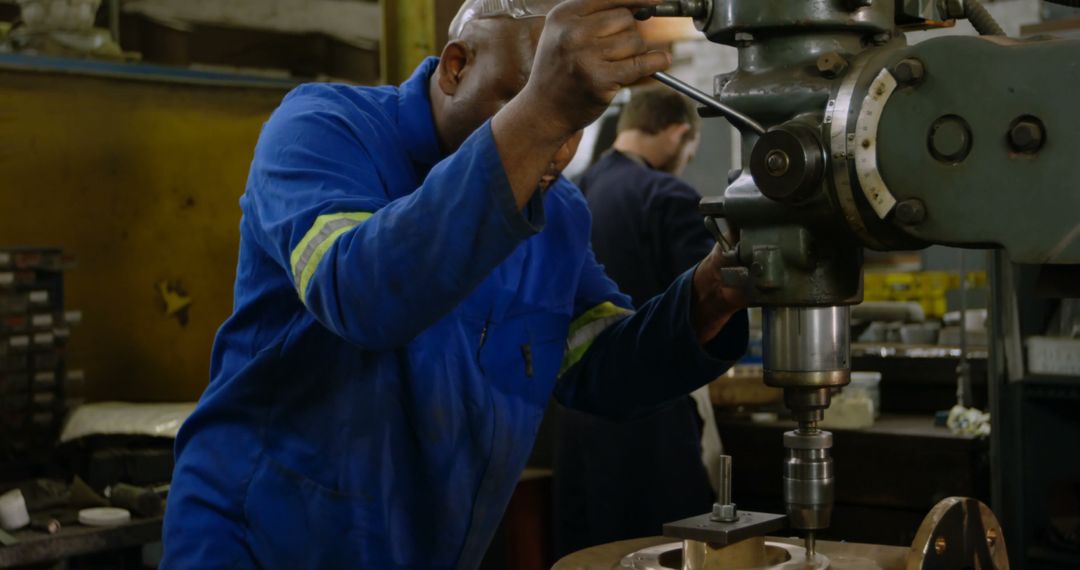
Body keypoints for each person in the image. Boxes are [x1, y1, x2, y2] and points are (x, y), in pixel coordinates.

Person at [161, 0, 749, 567]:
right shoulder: (323, 131)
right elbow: (363, 292)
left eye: (575, 121)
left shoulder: (558, 214)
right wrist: (543, 109)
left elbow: (596, 363)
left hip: (426, 547)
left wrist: (707, 297)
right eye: (524, 96)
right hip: (261, 544)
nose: (556, 150)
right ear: (455, 66)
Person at [553, 87, 724, 557]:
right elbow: (707, 306)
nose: (686, 159)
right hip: (651, 426)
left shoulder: (568, 192)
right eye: (690, 149)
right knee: (661, 554)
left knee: (588, 557)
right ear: (677, 132)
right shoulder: (668, 195)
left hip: (573, 418)